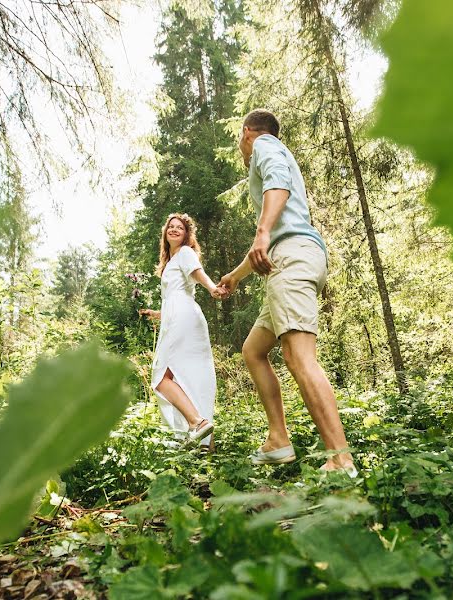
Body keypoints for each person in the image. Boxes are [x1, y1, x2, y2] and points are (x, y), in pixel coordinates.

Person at [217, 109, 356, 474]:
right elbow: (269, 243)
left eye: (240, 141)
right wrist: (235, 276)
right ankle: (278, 439)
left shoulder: (265, 145)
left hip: (292, 258)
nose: (242, 149)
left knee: (298, 356)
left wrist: (261, 231)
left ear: (247, 133)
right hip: (286, 259)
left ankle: (341, 459)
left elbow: (278, 185)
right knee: (254, 350)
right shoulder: (269, 151)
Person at [139, 213, 220, 448]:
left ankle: (197, 421)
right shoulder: (171, 260)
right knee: (188, 378)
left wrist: (213, 288)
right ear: (165, 233)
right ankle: (205, 450)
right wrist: (157, 314)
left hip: (183, 317)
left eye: (179, 228)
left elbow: (197, 273)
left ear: (186, 235)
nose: (174, 230)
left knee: (161, 378)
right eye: (170, 227)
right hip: (178, 315)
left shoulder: (185, 253)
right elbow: (176, 296)